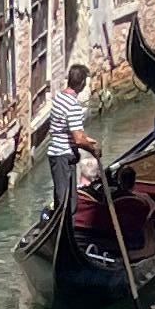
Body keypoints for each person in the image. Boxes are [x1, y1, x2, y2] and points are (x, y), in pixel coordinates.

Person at [45, 63, 95, 238]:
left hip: (62, 154)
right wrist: (93, 149)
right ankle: (63, 235)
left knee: (68, 200)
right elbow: (78, 138)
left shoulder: (59, 98)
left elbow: (67, 130)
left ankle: (66, 233)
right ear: (81, 84)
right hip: (62, 155)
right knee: (65, 202)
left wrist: (90, 141)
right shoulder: (73, 105)